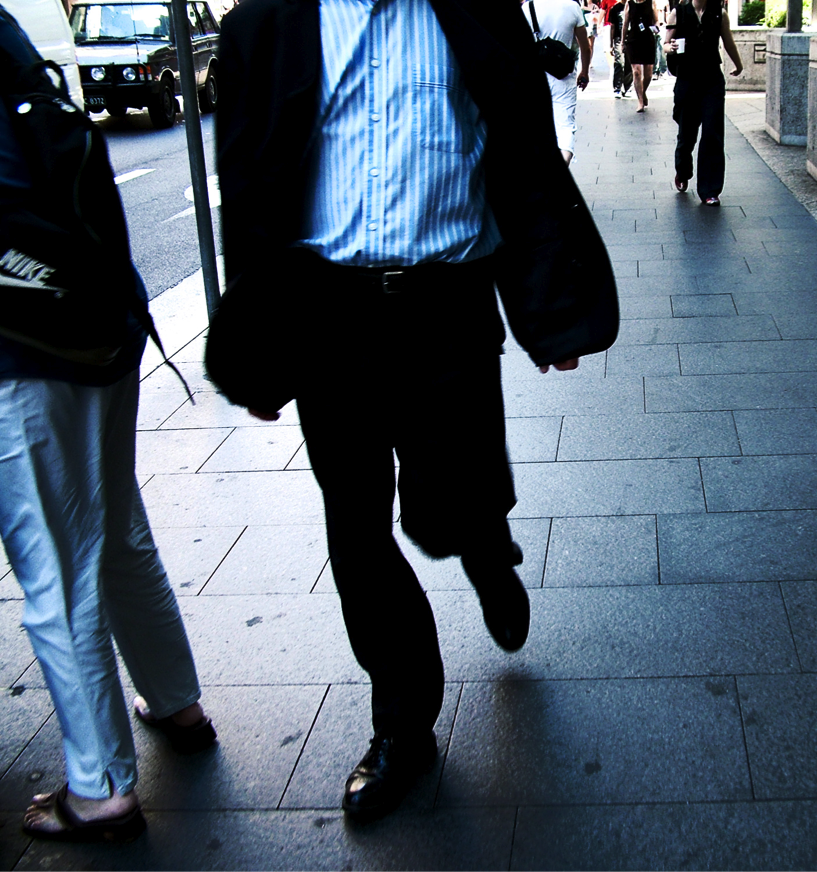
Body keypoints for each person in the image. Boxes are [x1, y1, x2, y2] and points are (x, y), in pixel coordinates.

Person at [213, 0, 618, 822]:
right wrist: (259, 343)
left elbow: (523, 159)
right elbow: (247, 184)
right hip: (328, 315)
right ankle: (403, 721)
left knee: (453, 499)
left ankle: (485, 547)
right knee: (356, 528)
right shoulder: (268, 22)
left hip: (448, 306)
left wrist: (550, 309)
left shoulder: (477, 10)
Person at [0, 8, 214, 844]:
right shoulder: (20, 66)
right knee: (118, 529)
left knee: (57, 564)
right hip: (101, 337)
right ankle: (176, 702)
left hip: (20, 361)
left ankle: (100, 787)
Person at [663, 0, 743, 204]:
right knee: (687, 134)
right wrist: (670, 47)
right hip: (687, 80)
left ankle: (710, 190)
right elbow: (665, 44)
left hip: (711, 81)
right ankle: (682, 170)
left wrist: (738, 64)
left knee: (712, 133)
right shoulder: (678, 13)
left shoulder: (719, 13)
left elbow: (728, 41)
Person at [523, 0, 592, 165]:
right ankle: (562, 164)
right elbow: (585, 46)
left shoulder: (528, 7)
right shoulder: (572, 7)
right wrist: (585, 72)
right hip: (564, 75)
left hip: (535, 76)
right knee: (565, 126)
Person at [622, 0, 655, 111]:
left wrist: (657, 28)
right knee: (636, 72)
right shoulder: (629, 3)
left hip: (648, 39)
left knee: (649, 74)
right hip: (634, 39)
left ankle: (643, 92)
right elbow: (625, 23)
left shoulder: (651, 2)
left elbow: (657, 21)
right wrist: (622, 42)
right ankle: (640, 101)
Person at [606, 0, 633, 97]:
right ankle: (617, 87)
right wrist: (611, 44)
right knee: (619, 62)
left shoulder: (632, 6)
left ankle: (628, 87)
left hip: (630, 38)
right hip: (618, 38)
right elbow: (612, 27)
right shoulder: (615, 9)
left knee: (629, 63)